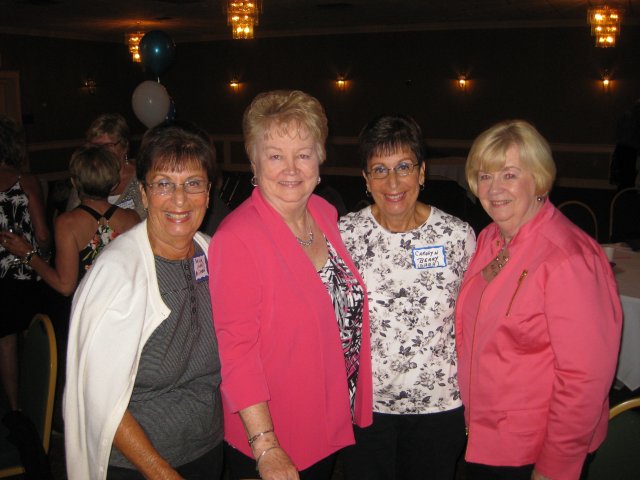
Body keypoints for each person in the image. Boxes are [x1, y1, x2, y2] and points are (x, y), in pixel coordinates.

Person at [209, 89, 372, 480]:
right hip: (277, 434)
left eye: (303, 154)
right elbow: (237, 354)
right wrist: (266, 447)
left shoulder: (324, 212)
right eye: (275, 156)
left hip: (326, 419)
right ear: (254, 161)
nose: (291, 169)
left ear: (320, 158)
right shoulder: (237, 238)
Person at [456, 120, 622, 480]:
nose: (494, 189)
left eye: (510, 175)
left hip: (534, 451)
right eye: (485, 176)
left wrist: (555, 466)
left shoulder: (569, 258)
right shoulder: (489, 239)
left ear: (539, 179)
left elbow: (583, 380)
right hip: (486, 437)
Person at [64, 124, 224, 479]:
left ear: (208, 193)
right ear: (144, 194)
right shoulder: (117, 274)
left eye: (193, 183)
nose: (179, 199)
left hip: (207, 449)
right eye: (163, 184)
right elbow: (98, 397)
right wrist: (162, 473)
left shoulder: (216, 256)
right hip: (137, 465)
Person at [338, 114, 476, 479]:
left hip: (438, 407)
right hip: (365, 410)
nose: (393, 182)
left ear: (422, 172)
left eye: (404, 167)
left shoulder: (456, 236)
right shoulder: (344, 236)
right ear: (366, 178)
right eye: (379, 170)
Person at [1, 145, 139, 295]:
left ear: (74, 182)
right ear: (114, 184)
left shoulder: (67, 224)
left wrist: (29, 255)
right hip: (126, 301)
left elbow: (65, 286)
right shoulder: (132, 218)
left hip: (92, 305)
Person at [0, 115, 51, 412]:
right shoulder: (26, 181)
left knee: (5, 342)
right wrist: (46, 253)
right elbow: (42, 234)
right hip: (25, 272)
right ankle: (39, 405)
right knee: (34, 337)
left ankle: (16, 408)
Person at [67, 113, 146, 219]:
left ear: (124, 147)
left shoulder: (143, 175)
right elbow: (72, 217)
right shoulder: (85, 176)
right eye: (96, 146)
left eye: (108, 145)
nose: (102, 151)